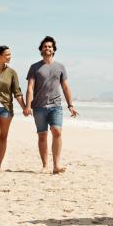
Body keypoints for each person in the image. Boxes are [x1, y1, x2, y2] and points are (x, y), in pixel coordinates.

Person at [24, 36, 78, 174]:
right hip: (39, 107)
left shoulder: (60, 67)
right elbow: (30, 87)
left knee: (57, 131)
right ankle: (44, 165)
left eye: (50, 46)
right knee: (42, 136)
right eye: (45, 46)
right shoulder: (35, 67)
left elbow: (65, 87)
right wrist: (28, 105)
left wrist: (70, 105)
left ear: (53, 50)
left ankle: (57, 165)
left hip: (56, 105)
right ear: (41, 49)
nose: (47, 48)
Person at [0, 46, 26, 173]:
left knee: (3, 137)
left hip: (6, 108)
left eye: (10, 54)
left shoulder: (12, 73)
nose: (10, 57)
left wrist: (24, 107)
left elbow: (17, 92)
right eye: (7, 54)